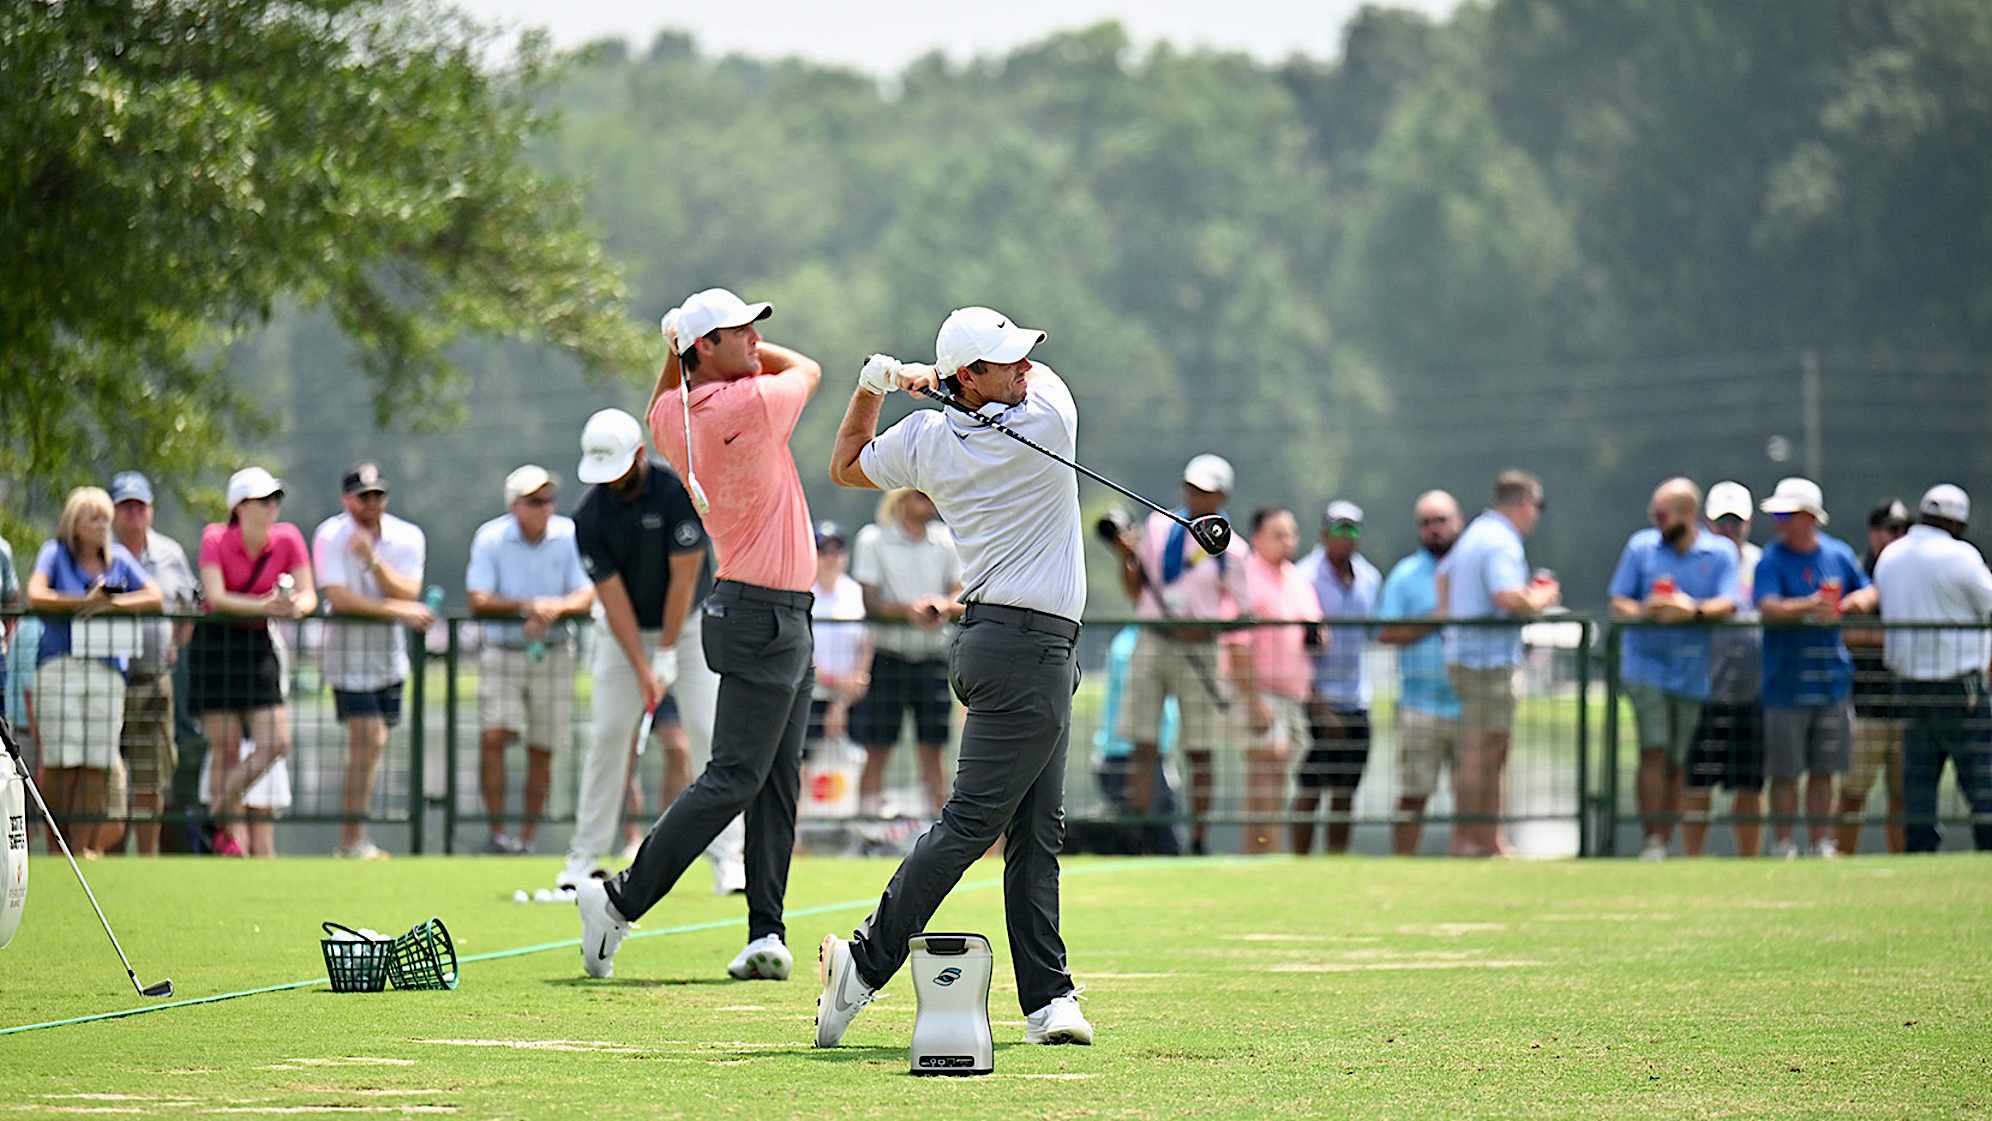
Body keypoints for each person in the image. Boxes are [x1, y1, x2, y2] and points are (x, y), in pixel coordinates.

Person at [816, 305, 1093, 1048]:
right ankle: (865, 963)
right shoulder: (1049, 418)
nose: (1027, 367)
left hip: (1013, 646)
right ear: (971, 377)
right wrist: (935, 381)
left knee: (1037, 828)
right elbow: (1005, 393)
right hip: (1022, 651)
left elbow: (844, 464)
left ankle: (1047, 999)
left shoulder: (927, 439)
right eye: (1007, 361)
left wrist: (877, 384)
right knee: (973, 823)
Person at [576, 287, 823, 984]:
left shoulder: (668, 417)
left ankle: (764, 930)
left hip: (777, 611)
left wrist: (679, 348)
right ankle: (619, 899)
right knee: (735, 776)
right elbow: (807, 367)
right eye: (738, 331)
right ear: (704, 349)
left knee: (776, 778)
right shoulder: (750, 403)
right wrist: (695, 346)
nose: (754, 339)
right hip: (762, 613)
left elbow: (668, 395)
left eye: (754, 328)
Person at [561, 407, 740, 901]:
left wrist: (665, 652)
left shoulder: (675, 492)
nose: (610, 480)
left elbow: (685, 577)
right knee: (609, 733)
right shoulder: (589, 516)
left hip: (687, 624)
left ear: (639, 454)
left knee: (709, 732)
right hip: (625, 636)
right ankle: (584, 856)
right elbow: (611, 599)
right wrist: (643, 668)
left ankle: (728, 857)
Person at [1110, 454, 1250, 855]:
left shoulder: (1230, 549)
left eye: (1204, 491)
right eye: (1190, 487)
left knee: (1199, 747)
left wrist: (1204, 629)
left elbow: (1244, 610)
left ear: (1221, 496)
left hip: (1198, 647)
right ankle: (1136, 833)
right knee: (1142, 741)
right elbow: (1137, 590)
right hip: (1153, 637)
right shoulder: (1158, 525)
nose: (1194, 496)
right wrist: (1125, 556)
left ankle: (1199, 839)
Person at [1607, 478, 1740, 861]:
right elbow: (1619, 602)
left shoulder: (1719, 554)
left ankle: (1667, 837)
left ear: (1686, 514)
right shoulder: (1640, 547)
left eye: (1662, 514)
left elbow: (1729, 602)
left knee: (1679, 760)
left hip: (1691, 671)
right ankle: (1652, 840)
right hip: (1645, 667)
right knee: (1654, 750)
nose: (1656, 520)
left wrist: (1690, 609)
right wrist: (1646, 610)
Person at [25, 487, 162, 856]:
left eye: (105, 516)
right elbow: (36, 595)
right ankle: (56, 846)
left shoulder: (118, 559)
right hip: (60, 664)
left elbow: (154, 596)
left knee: (96, 761)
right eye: (93, 517)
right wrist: (84, 603)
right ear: (74, 523)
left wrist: (112, 603)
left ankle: (81, 847)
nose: (103, 524)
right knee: (60, 759)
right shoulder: (54, 554)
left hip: (106, 669)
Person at [466, 465, 595, 855]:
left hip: (554, 653)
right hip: (503, 651)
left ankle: (526, 838)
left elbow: (586, 593)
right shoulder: (490, 538)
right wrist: (528, 607)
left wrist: (554, 609)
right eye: (535, 501)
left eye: (549, 500)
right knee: (494, 737)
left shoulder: (569, 535)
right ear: (515, 505)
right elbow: (479, 598)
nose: (545, 508)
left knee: (542, 748)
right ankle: (498, 833)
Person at [192, 467, 316, 854]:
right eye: (263, 500)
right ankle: (226, 842)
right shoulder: (215, 537)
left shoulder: (289, 538)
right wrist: (264, 604)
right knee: (226, 748)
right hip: (216, 644)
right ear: (240, 507)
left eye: (274, 500)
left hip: (258, 642)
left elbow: (309, 594)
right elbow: (217, 596)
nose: (272, 507)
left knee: (276, 742)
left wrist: (294, 607)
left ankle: (213, 815)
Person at [1754, 476, 1878, 859]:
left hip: (1830, 683)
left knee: (1825, 770)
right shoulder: (1771, 559)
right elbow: (1768, 606)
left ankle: (1821, 841)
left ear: (1809, 517)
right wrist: (1810, 605)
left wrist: (1855, 603)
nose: (1778, 522)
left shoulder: (1838, 554)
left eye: (1786, 515)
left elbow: (1870, 589)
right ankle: (1785, 843)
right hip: (1785, 684)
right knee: (1785, 772)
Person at [1436, 470, 1559, 857]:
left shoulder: (1476, 531)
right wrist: (1543, 598)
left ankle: (1483, 840)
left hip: (1468, 657)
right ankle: (1475, 841)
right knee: (1481, 751)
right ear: (1524, 504)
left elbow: (1442, 577)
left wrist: (1450, 627)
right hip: (1487, 662)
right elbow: (1508, 597)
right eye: (1536, 507)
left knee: (1487, 749)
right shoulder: (1501, 540)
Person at [1871, 485, 1992, 852]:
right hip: (1960, 688)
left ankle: (1920, 854)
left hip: (1908, 687)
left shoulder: (1890, 556)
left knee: (1918, 784)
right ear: (1957, 523)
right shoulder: (1961, 556)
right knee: (1981, 781)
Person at [848, 489, 962, 819]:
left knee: (933, 751)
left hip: (932, 658)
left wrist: (942, 605)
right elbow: (870, 601)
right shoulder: (873, 539)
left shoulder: (945, 539)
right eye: (920, 497)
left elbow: (958, 590)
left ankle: (939, 826)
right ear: (901, 500)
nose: (930, 503)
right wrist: (907, 610)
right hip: (889, 657)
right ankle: (867, 826)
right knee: (878, 748)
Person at [105, 472, 197, 856]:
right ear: (113, 512)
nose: (133, 514)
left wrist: (178, 642)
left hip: (153, 675)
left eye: (139, 506)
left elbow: (187, 605)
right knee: (108, 776)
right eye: (126, 507)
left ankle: (146, 859)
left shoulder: (170, 553)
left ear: (150, 510)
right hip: (108, 676)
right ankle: (108, 855)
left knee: (151, 776)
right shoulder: (100, 552)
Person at [1680, 481, 1768, 856]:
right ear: (1708, 523)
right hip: (1705, 686)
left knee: (1749, 784)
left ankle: (1748, 860)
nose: (1729, 531)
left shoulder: (1760, 562)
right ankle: (1692, 860)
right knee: (1697, 783)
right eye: (1722, 523)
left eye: (1736, 523)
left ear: (1748, 524)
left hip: (1753, 687)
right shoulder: (1698, 560)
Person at [1376, 490, 1465, 856]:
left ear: (1458, 521)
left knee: (1474, 795)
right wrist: (1435, 620)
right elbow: (1386, 632)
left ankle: (1473, 859)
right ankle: (1403, 864)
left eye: (1441, 520)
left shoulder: (1472, 567)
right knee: (1413, 794)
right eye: (1425, 523)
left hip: (1468, 703)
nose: (1433, 529)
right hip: (1420, 704)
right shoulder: (1405, 575)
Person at [1294, 500, 1380, 855]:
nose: (1346, 538)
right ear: (1324, 533)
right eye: (1339, 530)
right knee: (1310, 788)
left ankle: (1335, 864)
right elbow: (1295, 646)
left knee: (1346, 792)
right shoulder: (1304, 577)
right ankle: (1298, 863)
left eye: (1352, 530)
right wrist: (1314, 700)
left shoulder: (1370, 578)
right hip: (1316, 699)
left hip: (1355, 699)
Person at [1237, 508, 1321, 854]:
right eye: (1278, 534)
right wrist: (1253, 701)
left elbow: (1314, 627)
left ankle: (1269, 853)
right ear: (1257, 538)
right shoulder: (1246, 578)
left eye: (1292, 533)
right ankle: (1258, 855)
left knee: (1278, 779)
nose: (1288, 541)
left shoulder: (1298, 579)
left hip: (1293, 694)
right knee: (1262, 780)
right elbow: (1236, 645)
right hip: (1261, 691)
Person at [1836, 499, 1911, 854]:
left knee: (1903, 798)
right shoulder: (1860, 571)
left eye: (1902, 530)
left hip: (1909, 703)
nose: (1896, 537)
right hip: (1867, 703)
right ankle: (1841, 860)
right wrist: (1897, 639)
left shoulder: (1914, 571)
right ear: (1874, 533)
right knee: (1853, 794)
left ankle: (1901, 865)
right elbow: (1846, 631)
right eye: (1890, 530)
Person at [1092, 626, 1183, 855]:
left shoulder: (1158, 642)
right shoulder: (1129, 645)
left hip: (1152, 755)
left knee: (1157, 837)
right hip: (1127, 756)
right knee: (1154, 841)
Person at [808, 522, 871, 761]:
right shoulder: (804, 592)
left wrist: (843, 700)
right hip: (811, 694)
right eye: (824, 551)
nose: (831, 558)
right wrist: (833, 682)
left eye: (837, 551)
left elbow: (866, 646)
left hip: (852, 698)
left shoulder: (855, 592)